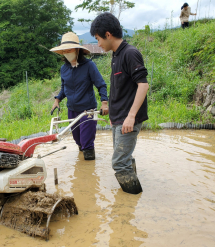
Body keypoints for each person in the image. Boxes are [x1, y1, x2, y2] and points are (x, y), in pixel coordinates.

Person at [90, 13, 148, 194]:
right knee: (124, 159)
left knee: (119, 163)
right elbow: (119, 89)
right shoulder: (116, 55)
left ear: (108, 35)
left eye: (98, 39)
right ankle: (134, 201)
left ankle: (134, 196)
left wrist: (131, 117)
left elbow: (143, 85)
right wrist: (113, 117)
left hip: (127, 119)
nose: (98, 44)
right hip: (118, 118)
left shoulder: (130, 53)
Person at [50, 32, 109, 160]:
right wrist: (57, 99)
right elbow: (64, 88)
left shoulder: (89, 66)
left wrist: (104, 102)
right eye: (64, 50)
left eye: (69, 49)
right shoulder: (64, 69)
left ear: (77, 50)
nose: (67, 52)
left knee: (86, 142)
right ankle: (82, 171)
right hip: (72, 110)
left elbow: (101, 84)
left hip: (87, 110)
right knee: (78, 141)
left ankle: (89, 172)